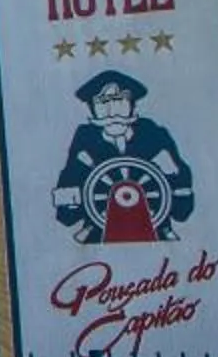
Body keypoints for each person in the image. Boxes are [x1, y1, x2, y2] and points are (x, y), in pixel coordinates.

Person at [51, 70, 194, 244]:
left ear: (132, 104)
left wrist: (172, 172)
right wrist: (71, 202)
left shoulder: (154, 135)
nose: (112, 111)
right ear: (92, 108)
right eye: (103, 102)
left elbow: (182, 209)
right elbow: (66, 214)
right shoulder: (84, 141)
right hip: (99, 238)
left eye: (119, 100)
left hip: (156, 235)